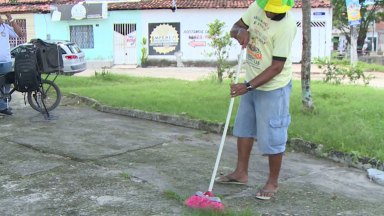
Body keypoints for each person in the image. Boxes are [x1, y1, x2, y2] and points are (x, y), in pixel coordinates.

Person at [215, 0, 297, 200]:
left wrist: (248, 86)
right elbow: (236, 27)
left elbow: (277, 67)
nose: (268, 13)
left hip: (273, 87)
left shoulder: (287, 27)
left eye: (273, 11)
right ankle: (240, 173)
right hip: (250, 80)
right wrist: (240, 32)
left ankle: (272, 182)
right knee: (244, 129)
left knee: (273, 136)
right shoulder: (256, 7)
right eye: (267, 8)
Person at [0, 12, 22, 115]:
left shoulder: (5, 27)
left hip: (6, 61)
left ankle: (4, 107)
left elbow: (19, 34)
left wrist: (11, 19)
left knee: (7, 84)